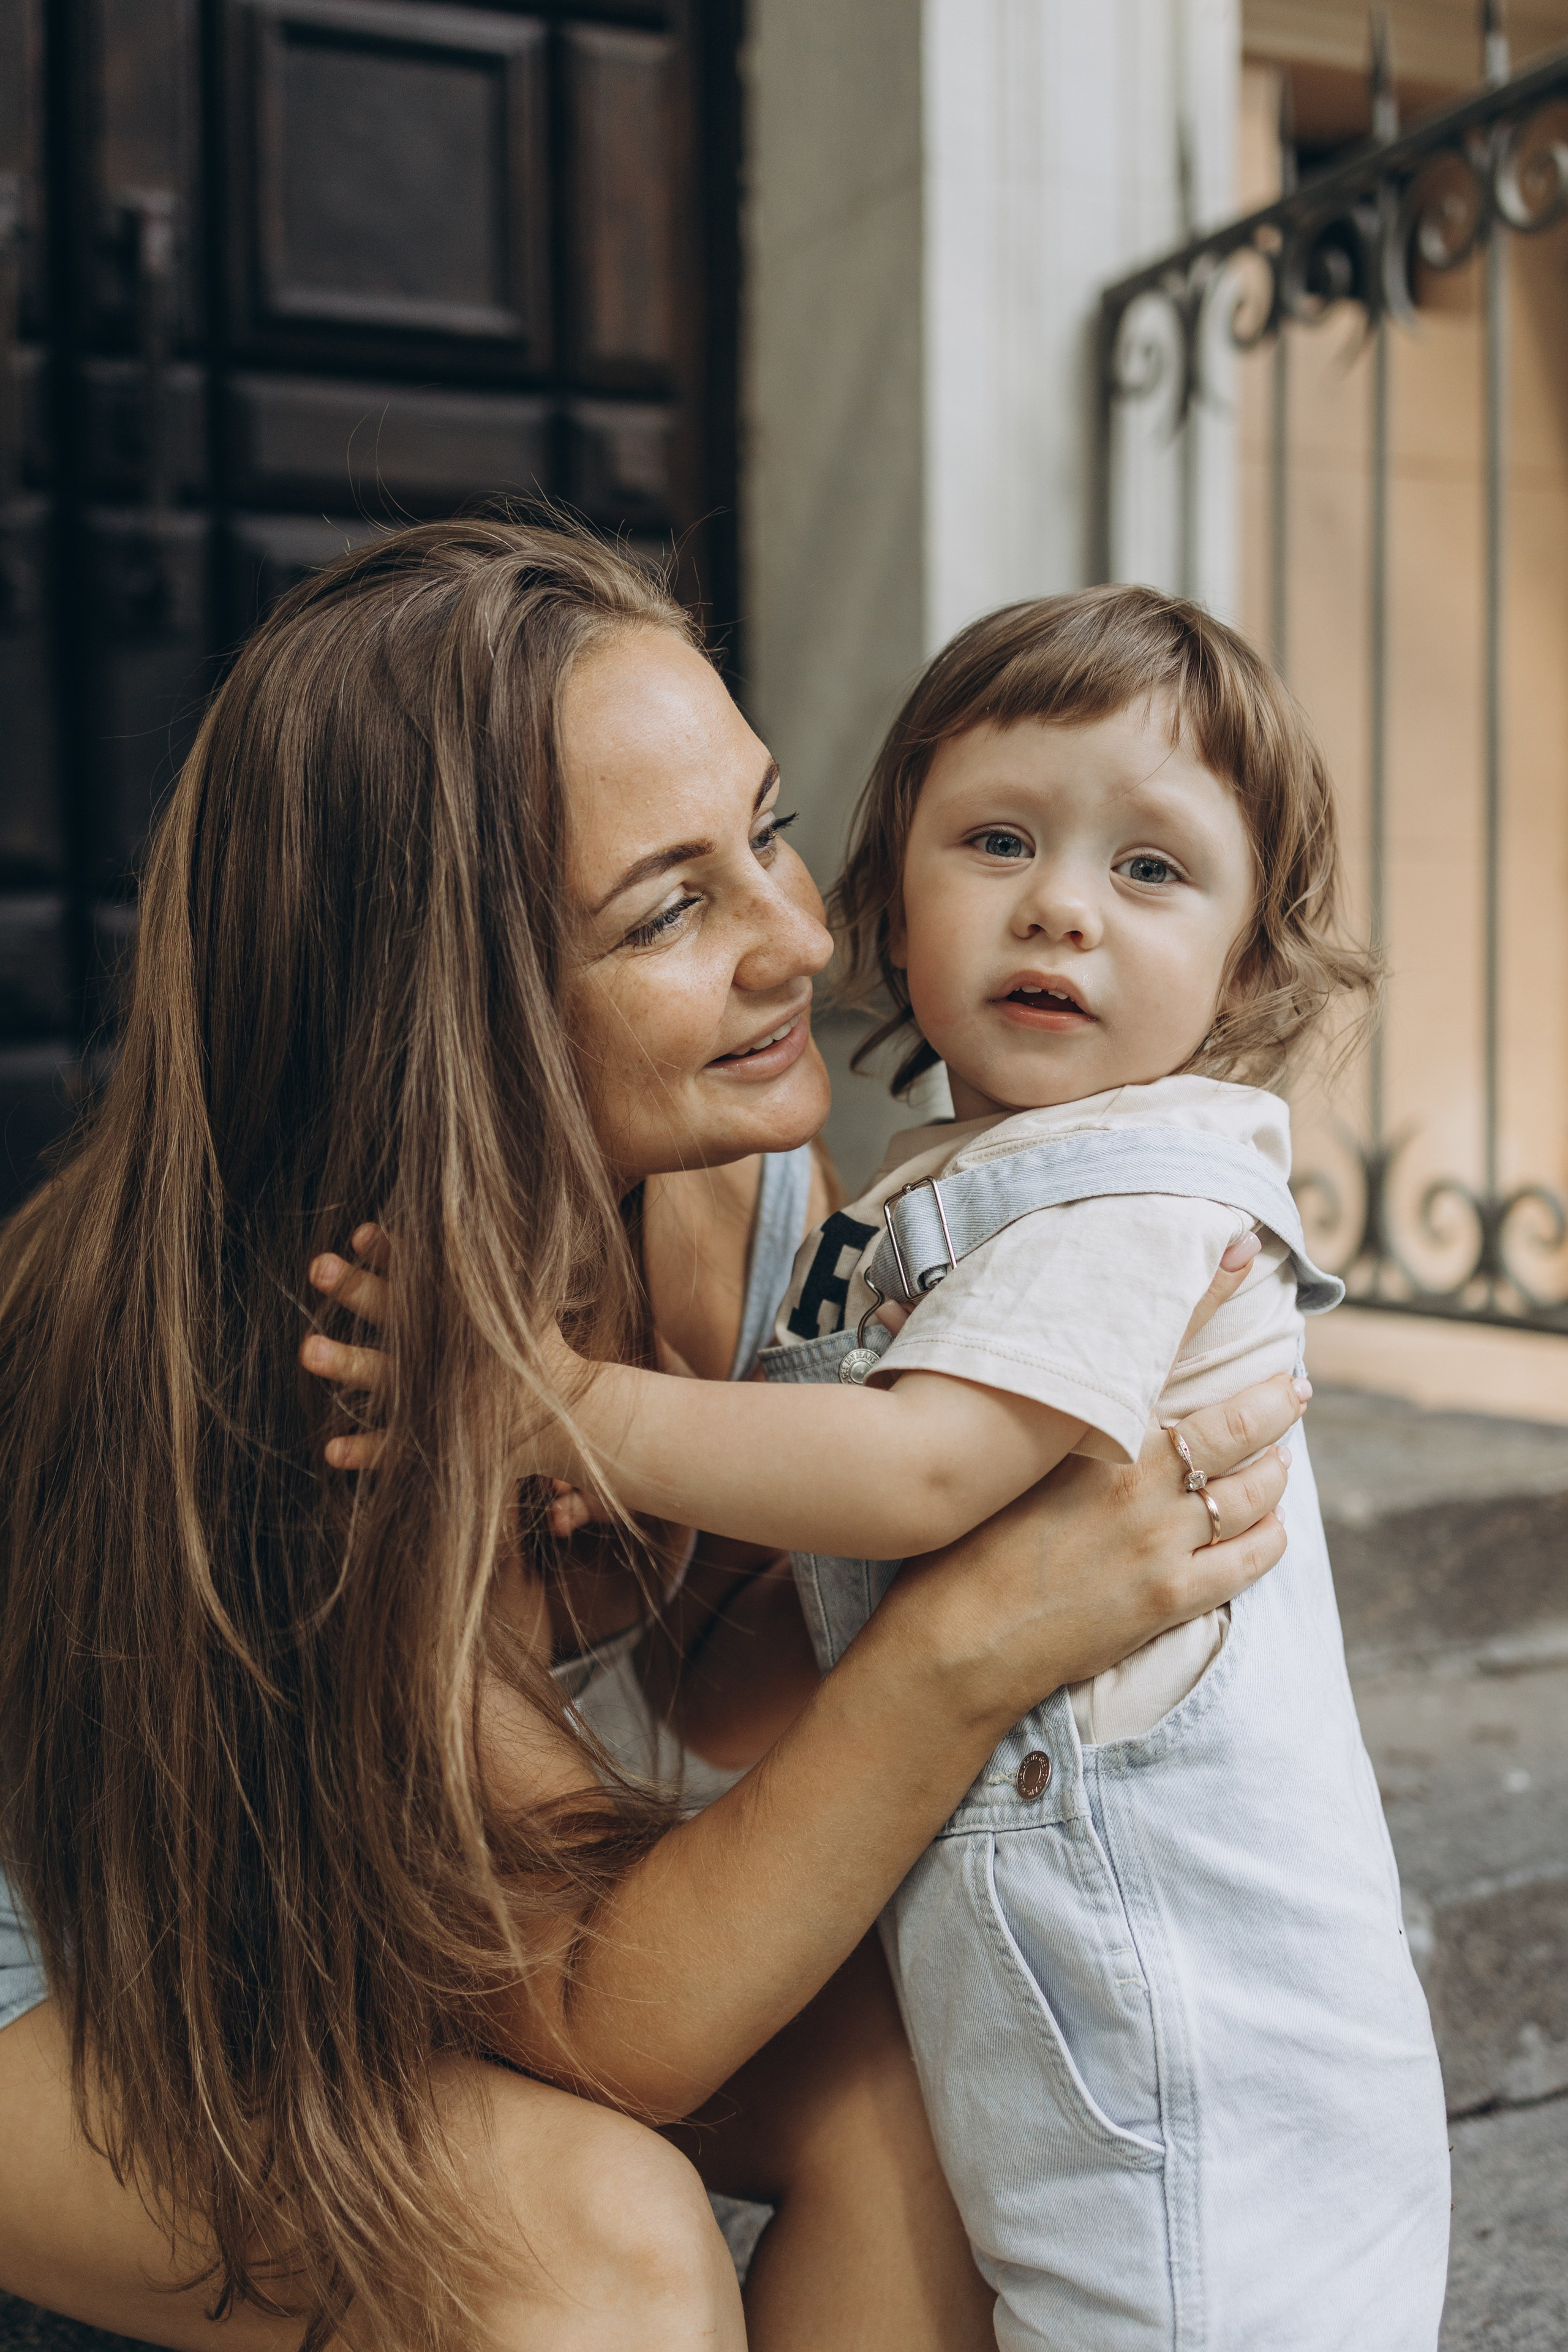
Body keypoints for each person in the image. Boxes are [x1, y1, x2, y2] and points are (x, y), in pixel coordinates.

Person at [0, 519, 1302, 2352]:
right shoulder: (324, 1354)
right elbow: (622, 2022)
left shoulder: (741, 1183)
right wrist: (970, 1640)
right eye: (669, 911)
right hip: (87, 1961)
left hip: (392, 1907)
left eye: (769, 830)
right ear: (442, 1006)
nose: (804, 937)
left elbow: (740, 1673)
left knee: (927, 2079)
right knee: (596, 2245)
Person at [527, 586, 1452, 2350]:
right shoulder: (922, 1202)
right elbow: (796, 1605)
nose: (1061, 907)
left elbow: (915, 1474)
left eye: (1152, 870)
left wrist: (565, 1407)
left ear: (1250, 967)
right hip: (1070, 2023)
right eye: (1001, 841)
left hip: (1197, 2071)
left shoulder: (1134, 1195)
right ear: (891, 899)